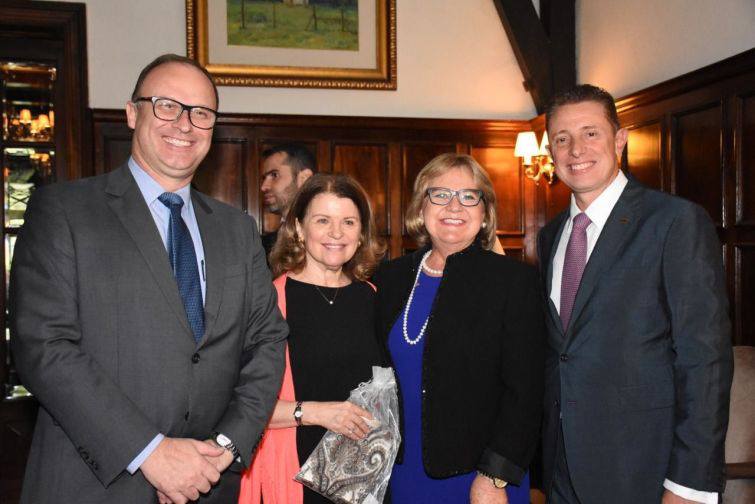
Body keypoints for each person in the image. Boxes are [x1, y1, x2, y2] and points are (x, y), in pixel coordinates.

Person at [9, 54, 287, 504]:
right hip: (96, 484)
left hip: (210, 482)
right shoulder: (64, 212)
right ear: (132, 112)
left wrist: (226, 446)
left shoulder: (236, 229)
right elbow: (44, 347)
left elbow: (267, 342)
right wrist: (151, 452)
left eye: (201, 113)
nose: (184, 124)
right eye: (166, 105)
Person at [537, 84, 733, 504]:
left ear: (619, 140)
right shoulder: (550, 235)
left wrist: (690, 485)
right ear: (551, 151)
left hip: (645, 471)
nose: (576, 149)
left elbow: (705, 361)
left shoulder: (674, 222)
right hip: (560, 468)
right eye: (562, 139)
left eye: (590, 133)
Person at [373, 153, 545, 504]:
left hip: (481, 477)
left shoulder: (514, 281)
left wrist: (494, 477)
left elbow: (527, 393)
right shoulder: (390, 278)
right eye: (440, 194)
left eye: (469, 196)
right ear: (421, 208)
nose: (454, 206)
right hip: (401, 471)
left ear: (484, 214)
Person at [239, 173, 386, 504]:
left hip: (362, 479)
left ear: (361, 233)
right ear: (299, 229)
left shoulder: (373, 298)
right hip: (293, 476)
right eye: (323, 220)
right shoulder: (269, 301)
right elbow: (239, 405)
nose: (337, 233)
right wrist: (316, 413)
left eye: (349, 221)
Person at [260, 143, 317, 254]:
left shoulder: (326, 238)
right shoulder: (263, 244)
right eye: (264, 178)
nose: (263, 187)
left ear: (304, 179)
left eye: (274, 175)